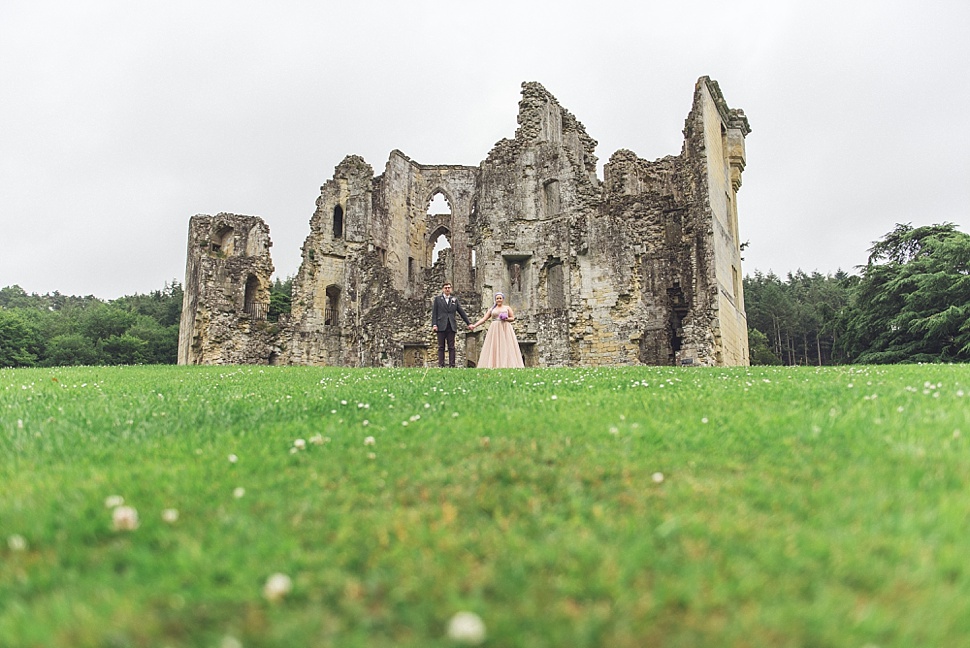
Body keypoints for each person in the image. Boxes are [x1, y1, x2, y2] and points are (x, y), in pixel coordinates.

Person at [470, 292, 524, 368]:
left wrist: (506, 318)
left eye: (500, 298)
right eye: (497, 298)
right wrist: (474, 325)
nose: (499, 300)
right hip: (494, 328)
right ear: (495, 300)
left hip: (505, 327)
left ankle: (507, 364)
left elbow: (513, 318)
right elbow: (484, 319)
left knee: (506, 345)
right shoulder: (492, 309)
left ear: (503, 299)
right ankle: (494, 364)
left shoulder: (507, 308)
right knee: (495, 345)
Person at [431, 281, 471, 368]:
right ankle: (441, 365)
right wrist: (434, 324)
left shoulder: (454, 300)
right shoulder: (438, 299)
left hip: (451, 326)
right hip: (440, 325)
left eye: (449, 288)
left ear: (451, 289)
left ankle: (452, 365)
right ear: (443, 289)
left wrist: (468, 323)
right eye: (446, 288)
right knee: (441, 346)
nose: (447, 289)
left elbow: (461, 312)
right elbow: (434, 313)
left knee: (451, 347)